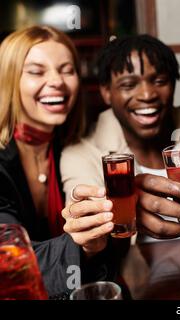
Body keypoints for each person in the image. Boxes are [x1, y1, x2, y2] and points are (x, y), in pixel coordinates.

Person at [60, 35, 180, 242]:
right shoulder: (81, 154)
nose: (147, 94)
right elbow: (88, 240)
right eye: (128, 85)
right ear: (106, 92)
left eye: (160, 81)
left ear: (173, 85)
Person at [0, 26, 117, 298]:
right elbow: (10, 262)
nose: (57, 81)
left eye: (67, 70)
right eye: (36, 71)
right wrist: (85, 245)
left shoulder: (74, 144)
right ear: (8, 80)